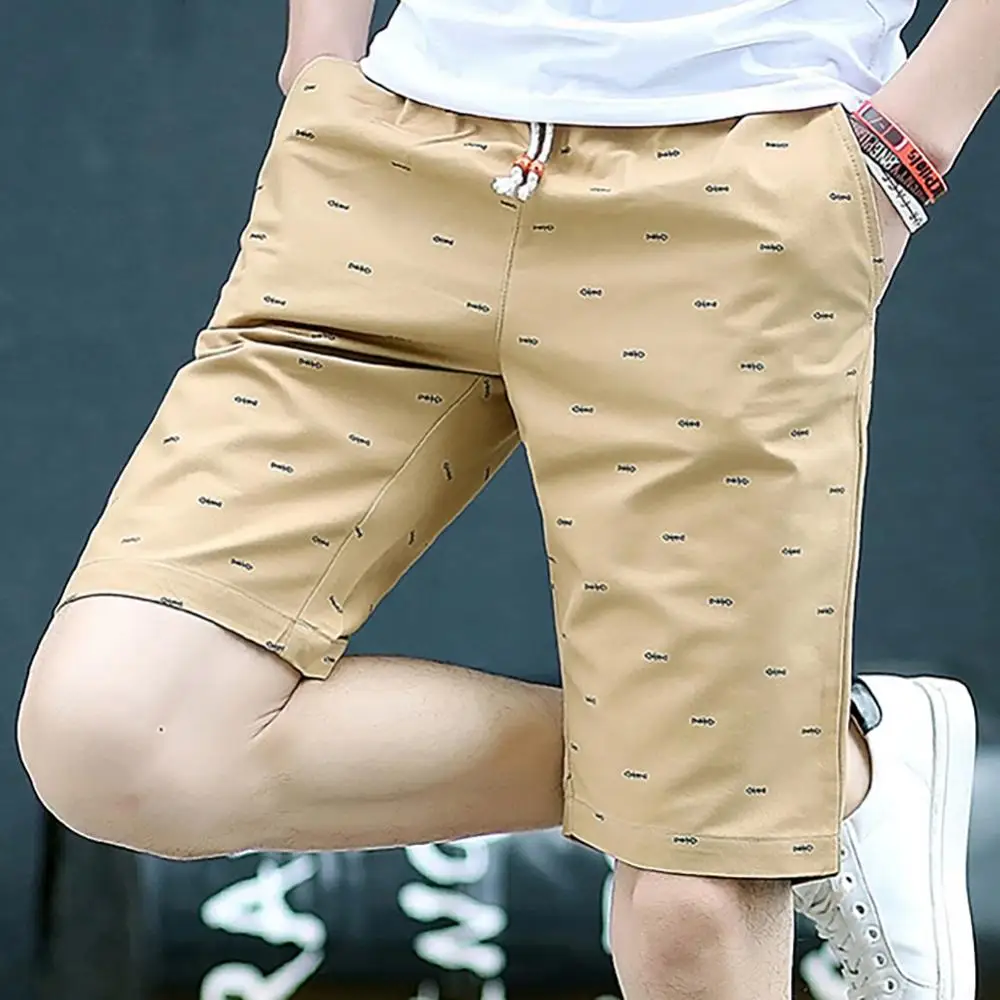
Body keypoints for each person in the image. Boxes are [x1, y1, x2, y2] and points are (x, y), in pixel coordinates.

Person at [16, 1, 993, 996]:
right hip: (392, 161)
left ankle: (759, 775)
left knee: (689, 916)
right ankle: (832, 765)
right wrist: (319, 60)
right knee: (118, 735)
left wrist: (913, 141)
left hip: (734, 188)